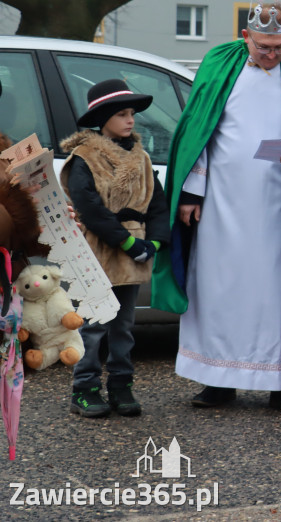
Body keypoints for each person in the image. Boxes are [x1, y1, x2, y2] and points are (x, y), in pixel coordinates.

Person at [152, 0, 281, 416]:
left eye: (279, 47)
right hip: (222, 202)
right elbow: (200, 128)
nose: (271, 55)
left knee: (279, 290)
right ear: (246, 37)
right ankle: (217, 381)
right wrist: (190, 192)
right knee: (219, 286)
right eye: (263, 47)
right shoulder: (221, 64)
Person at [60, 80, 170, 418]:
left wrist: (151, 243)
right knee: (93, 324)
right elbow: (89, 206)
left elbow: (157, 205)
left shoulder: (142, 158)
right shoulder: (84, 158)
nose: (131, 120)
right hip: (99, 249)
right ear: (103, 117)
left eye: (132, 114)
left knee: (123, 324)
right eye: (122, 114)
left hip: (134, 253)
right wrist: (126, 241)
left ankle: (121, 384)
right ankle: (85, 387)